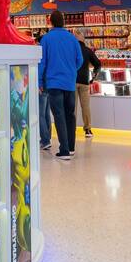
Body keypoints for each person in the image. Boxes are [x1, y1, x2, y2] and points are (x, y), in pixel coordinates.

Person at [39, 10, 83, 160]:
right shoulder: (72, 39)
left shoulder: (46, 39)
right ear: (64, 22)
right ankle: (71, 147)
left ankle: (64, 150)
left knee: (59, 115)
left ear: (50, 22)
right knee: (70, 115)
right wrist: (71, 71)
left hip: (53, 83)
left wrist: (40, 81)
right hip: (70, 83)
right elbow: (80, 60)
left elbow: (42, 62)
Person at [75, 37, 103, 139]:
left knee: (72, 107)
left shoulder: (72, 49)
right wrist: (94, 76)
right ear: (84, 41)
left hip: (72, 81)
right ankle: (88, 129)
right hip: (84, 81)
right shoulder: (87, 51)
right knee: (85, 106)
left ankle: (71, 128)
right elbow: (98, 64)